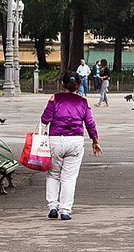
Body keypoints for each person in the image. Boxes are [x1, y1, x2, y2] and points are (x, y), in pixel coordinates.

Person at [40, 72, 102, 220]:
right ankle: (66, 210)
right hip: (75, 141)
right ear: (79, 85)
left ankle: (52, 206)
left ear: (62, 84)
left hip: (55, 140)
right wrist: (95, 141)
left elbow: (45, 119)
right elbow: (90, 124)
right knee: (69, 177)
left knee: (53, 174)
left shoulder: (55, 99)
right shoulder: (83, 102)